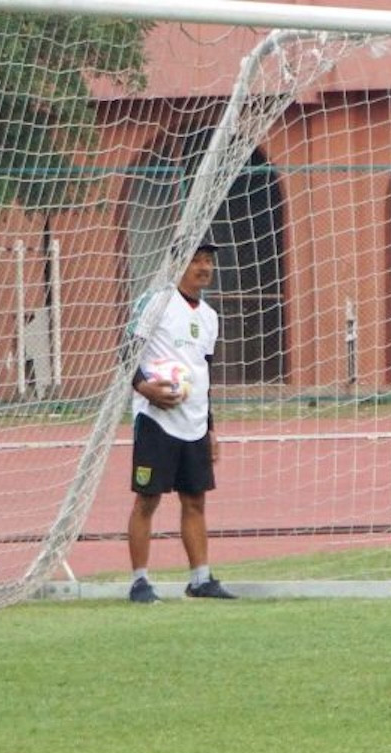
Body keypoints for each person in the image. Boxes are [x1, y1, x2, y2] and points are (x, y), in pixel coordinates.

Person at [125, 237, 235, 603]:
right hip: (157, 419)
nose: (204, 267)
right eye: (196, 261)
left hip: (194, 423)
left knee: (195, 500)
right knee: (148, 499)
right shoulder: (156, 303)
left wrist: (211, 428)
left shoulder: (209, 317)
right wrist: (146, 389)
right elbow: (126, 352)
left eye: (208, 261)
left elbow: (205, 374)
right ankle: (139, 581)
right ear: (178, 266)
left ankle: (200, 579)